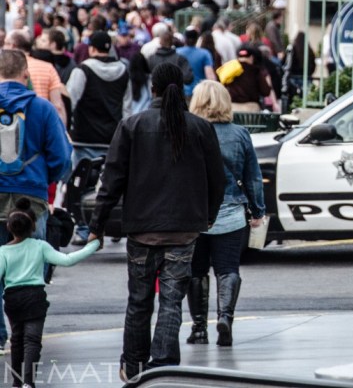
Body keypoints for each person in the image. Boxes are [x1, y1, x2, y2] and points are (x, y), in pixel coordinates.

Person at [87, 62, 226, 381]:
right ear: (183, 88)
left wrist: (97, 226)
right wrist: (207, 216)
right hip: (184, 229)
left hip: (142, 229)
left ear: (153, 88)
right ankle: (163, 364)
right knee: (172, 300)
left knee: (139, 300)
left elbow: (111, 181)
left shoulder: (132, 125)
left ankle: (133, 365)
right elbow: (218, 180)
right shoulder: (200, 128)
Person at [0, 50, 72, 358]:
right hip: (31, 196)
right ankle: (26, 332)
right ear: (25, 75)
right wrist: (44, 179)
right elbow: (61, 157)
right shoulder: (41, 108)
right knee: (30, 270)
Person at [187, 80, 265, 346]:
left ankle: (199, 328)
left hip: (195, 215)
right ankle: (225, 318)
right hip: (231, 214)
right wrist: (257, 211)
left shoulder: (188, 132)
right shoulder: (240, 134)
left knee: (196, 271)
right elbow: (253, 177)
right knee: (228, 269)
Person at [0, 198, 99, 387]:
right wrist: (92, 245)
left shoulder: (3, 251)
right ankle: (28, 382)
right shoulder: (40, 246)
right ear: (33, 225)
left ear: (9, 227)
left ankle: (16, 382)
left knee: (17, 339)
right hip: (35, 297)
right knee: (32, 340)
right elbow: (68, 260)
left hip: (13, 299)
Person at [66, 31, 132, 244]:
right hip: (113, 138)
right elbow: (127, 107)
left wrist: (67, 128)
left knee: (82, 185)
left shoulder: (82, 70)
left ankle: (84, 229)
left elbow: (71, 99)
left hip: (84, 137)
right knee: (112, 184)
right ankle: (114, 223)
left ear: (91, 48)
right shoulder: (124, 71)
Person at [3, 30, 67, 126]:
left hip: (8, 125)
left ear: (12, 45)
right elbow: (58, 106)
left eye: (5, 44)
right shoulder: (47, 68)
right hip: (42, 124)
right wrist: (61, 130)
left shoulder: (3, 68)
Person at [224, 46, 273, 112]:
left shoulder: (228, 69)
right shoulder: (255, 71)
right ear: (251, 57)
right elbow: (266, 92)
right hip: (251, 109)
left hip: (233, 108)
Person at [177, 27, 216, 99]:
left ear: (185, 38)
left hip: (180, 92)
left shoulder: (177, 52)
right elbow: (210, 76)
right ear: (197, 39)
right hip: (199, 93)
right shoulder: (205, 54)